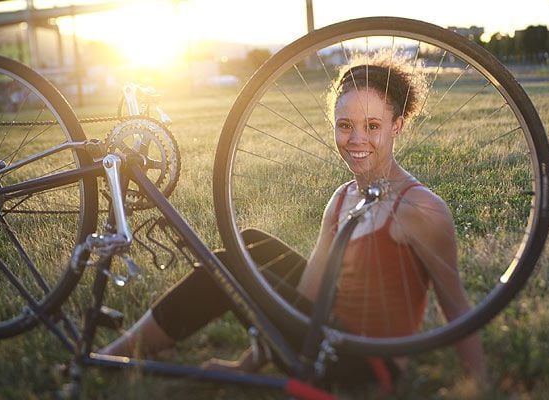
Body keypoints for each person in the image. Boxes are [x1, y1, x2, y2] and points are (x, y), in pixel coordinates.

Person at [101, 56, 485, 390]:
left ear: (396, 127)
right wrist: (246, 365)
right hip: (325, 333)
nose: (356, 139)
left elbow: (456, 305)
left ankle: (116, 354)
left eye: (372, 126)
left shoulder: (419, 208)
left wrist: (478, 386)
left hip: (364, 366)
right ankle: (154, 340)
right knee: (250, 244)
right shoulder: (341, 199)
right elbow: (306, 296)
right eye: (345, 125)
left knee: (229, 264)